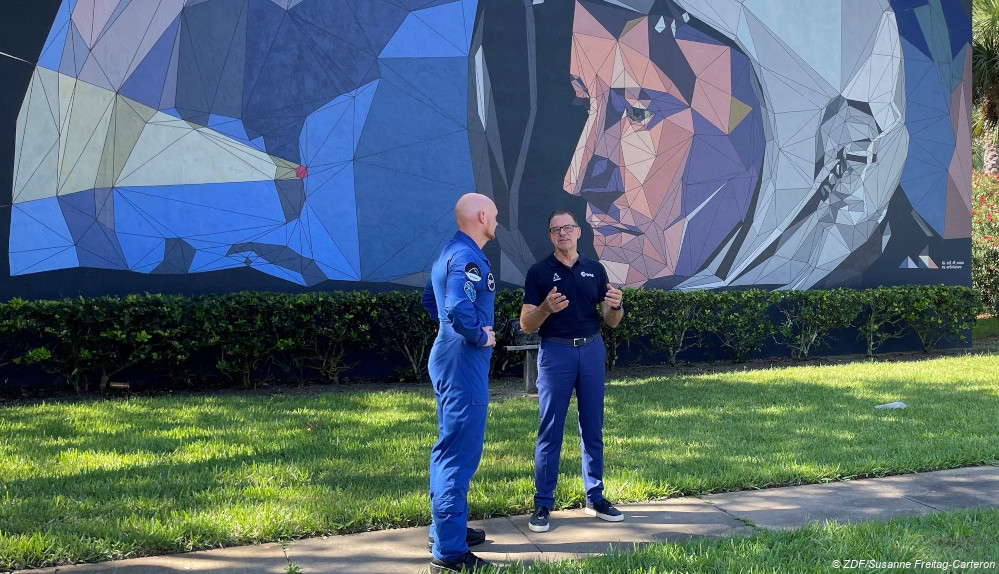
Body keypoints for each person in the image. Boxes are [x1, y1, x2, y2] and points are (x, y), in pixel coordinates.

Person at [519, 210, 624, 532]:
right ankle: (543, 503)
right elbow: (526, 324)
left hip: (591, 350)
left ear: (578, 232)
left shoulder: (595, 269)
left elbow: (611, 321)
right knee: (550, 430)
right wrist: (545, 309)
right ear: (550, 236)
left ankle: (595, 496)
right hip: (556, 353)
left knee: (593, 426)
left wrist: (616, 306)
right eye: (555, 229)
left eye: (567, 228)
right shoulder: (539, 272)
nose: (562, 233)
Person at [421, 192, 499, 573]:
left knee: (448, 444)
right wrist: (479, 335)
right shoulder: (468, 257)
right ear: (482, 216)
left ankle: (445, 528)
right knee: (459, 453)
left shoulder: (449, 251)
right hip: (463, 361)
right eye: (495, 216)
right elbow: (454, 309)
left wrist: (451, 332)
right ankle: (449, 553)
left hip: (449, 356)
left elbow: (429, 300)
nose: (496, 222)